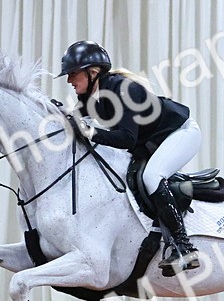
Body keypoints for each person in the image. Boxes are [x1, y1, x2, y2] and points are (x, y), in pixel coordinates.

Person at [60, 40, 201, 274]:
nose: (69, 80)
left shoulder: (122, 89)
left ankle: (183, 246)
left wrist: (90, 132)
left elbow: (126, 139)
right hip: (152, 141)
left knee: (152, 177)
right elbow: (74, 117)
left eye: (73, 74)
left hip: (181, 133)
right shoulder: (92, 95)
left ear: (92, 72)